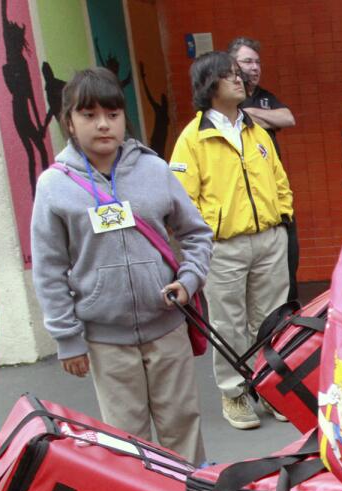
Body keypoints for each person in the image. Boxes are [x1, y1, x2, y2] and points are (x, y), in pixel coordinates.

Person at [31, 68, 212, 463]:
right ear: (69, 123)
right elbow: (48, 270)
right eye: (89, 114)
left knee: (182, 424)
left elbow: (197, 234)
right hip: (105, 340)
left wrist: (189, 279)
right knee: (128, 438)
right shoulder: (54, 186)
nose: (102, 124)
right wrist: (67, 338)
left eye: (112, 114)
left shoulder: (153, 170)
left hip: (167, 328)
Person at [170, 51, 293, 431]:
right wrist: (204, 238)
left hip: (269, 239)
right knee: (229, 323)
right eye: (229, 75)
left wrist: (282, 215)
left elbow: (279, 179)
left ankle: (270, 389)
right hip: (223, 247)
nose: (239, 80)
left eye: (239, 74)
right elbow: (180, 199)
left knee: (272, 319)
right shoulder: (193, 139)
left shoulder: (256, 130)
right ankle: (234, 393)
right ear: (209, 86)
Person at [229, 36, 300, 304]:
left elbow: (288, 118)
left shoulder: (264, 97)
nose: (255, 67)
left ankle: (290, 326)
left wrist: (247, 113)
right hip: (244, 203)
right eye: (248, 61)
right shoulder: (223, 102)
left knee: (288, 259)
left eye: (257, 62)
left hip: (274, 193)